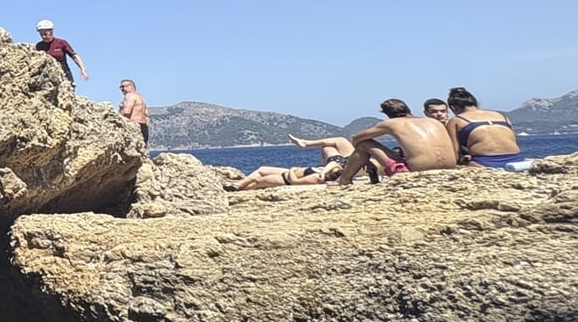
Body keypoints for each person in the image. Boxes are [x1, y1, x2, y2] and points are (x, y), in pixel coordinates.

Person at [329, 99, 459, 185]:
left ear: (387, 114)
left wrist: (366, 159)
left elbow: (357, 138)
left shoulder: (391, 123)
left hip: (413, 173)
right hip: (449, 168)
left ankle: (344, 180)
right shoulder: (433, 122)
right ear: (408, 110)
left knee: (364, 144)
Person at [228, 133, 356, 190]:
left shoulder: (317, 177)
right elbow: (334, 164)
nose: (332, 165)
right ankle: (238, 184)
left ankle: (239, 187)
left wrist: (292, 170)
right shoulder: (330, 168)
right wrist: (326, 169)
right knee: (261, 169)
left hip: (286, 179)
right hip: (291, 173)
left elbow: (295, 182)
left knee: (257, 181)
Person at [446, 87, 531, 171]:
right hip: (516, 160)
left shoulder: (456, 121)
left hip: (484, 162)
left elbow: (454, 154)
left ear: (453, 108)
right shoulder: (502, 116)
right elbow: (513, 141)